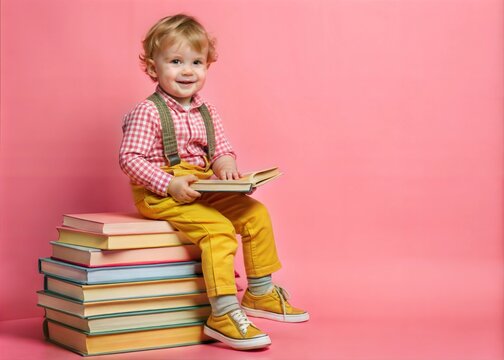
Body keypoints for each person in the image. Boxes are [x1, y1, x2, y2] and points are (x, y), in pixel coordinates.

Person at [119, 14, 309, 350]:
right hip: (161, 192)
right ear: (152, 68)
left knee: (256, 215)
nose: (188, 71)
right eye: (176, 62)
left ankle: (260, 292)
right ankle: (222, 312)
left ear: (208, 65)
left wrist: (226, 168)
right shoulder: (146, 112)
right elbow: (130, 160)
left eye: (196, 62)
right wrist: (168, 184)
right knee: (217, 231)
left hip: (203, 186)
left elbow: (221, 150)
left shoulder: (208, 111)